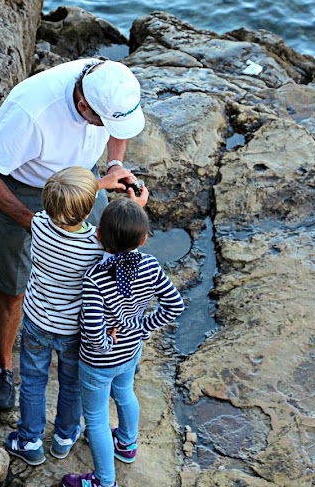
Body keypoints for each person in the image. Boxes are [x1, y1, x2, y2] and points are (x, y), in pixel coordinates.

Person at [0, 58, 146, 411]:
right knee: (14, 284)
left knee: (98, 264)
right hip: (26, 188)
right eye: (104, 122)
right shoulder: (30, 114)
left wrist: (114, 165)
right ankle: (3, 368)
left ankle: (94, 346)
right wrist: (31, 222)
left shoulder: (109, 82)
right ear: (83, 106)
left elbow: (119, 128)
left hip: (83, 180)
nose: (111, 130)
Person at [4, 167, 150, 465]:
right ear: (87, 212)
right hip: (74, 330)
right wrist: (133, 208)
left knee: (32, 381)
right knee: (71, 384)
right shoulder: (95, 247)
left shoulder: (39, 224)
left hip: (37, 322)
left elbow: (65, 206)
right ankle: (64, 437)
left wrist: (99, 185)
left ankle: (30, 440)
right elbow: (121, 244)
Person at [62, 198, 185, 487]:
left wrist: (106, 344)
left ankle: (104, 481)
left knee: (96, 420)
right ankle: (127, 444)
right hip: (131, 351)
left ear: (98, 235)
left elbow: (93, 329)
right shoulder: (151, 266)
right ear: (143, 240)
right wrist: (142, 328)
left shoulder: (95, 277)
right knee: (125, 393)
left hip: (98, 361)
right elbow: (174, 305)